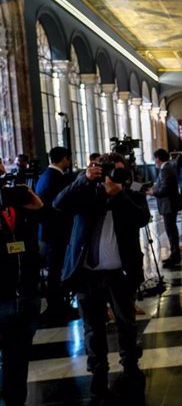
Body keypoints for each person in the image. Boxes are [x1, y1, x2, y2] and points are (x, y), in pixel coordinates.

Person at [55, 153, 150, 399]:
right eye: (110, 171)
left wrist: (118, 195)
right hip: (87, 274)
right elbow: (59, 204)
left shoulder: (131, 194)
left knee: (126, 324)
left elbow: (142, 218)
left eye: (120, 172)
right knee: (92, 328)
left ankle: (130, 366)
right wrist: (84, 180)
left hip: (119, 274)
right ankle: (98, 371)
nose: (114, 177)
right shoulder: (86, 190)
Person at [0, 183, 44, 406]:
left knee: (18, 357)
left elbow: (58, 224)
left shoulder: (15, 201)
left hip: (26, 293)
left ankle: (17, 401)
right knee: (8, 358)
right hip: (3, 295)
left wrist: (39, 207)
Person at [35, 146, 78, 324]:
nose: (69, 163)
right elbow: (61, 205)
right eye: (68, 159)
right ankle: (57, 307)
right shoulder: (56, 178)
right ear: (64, 159)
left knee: (55, 269)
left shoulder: (45, 176)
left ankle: (58, 304)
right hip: (56, 231)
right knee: (55, 270)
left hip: (49, 231)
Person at [149, 148, 182, 267]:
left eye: (155, 159)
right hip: (169, 204)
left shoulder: (166, 169)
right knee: (171, 230)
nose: (154, 161)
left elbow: (165, 188)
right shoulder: (167, 167)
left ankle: (175, 255)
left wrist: (153, 192)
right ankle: (175, 254)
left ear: (158, 158)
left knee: (171, 231)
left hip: (168, 205)